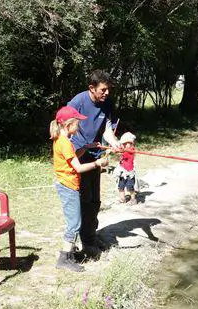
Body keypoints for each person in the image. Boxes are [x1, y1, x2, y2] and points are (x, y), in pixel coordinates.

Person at [67, 69, 122, 259]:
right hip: (79, 159)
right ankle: (86, 242)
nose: (107, 93)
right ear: (92, 88)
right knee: (84, 200)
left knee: (95, 200)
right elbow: (63, 127)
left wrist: (115, 143)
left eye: (108, 90)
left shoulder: (106, 104)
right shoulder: (78, 102)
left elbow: (107, 130)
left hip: (96, 158)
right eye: (103, 90)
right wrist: (75, 150)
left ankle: (90, 236)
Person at [50, 106, 108, 272]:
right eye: (77, 123)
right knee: (74, 223)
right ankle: (64, 258)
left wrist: (87, 147)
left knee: (74, 221)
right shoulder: (65, 143)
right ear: (68, 125)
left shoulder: (61, 140)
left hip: (66, 184)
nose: (79, 127)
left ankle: (69, 255)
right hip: (68, 186)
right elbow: (78, 168)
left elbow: (72, 159)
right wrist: (97, 163)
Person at [114, 132, 138, 204]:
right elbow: (120, 151)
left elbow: (122, 152)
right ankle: (122, 198)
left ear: (131, 144)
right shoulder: (124, 149)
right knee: (120, 186)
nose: (124, 145)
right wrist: (114, 149)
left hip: (129, 172)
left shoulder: (131, 150)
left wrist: (117, 150)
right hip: (122, 171)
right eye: (123, 144)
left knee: (130, 187)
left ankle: (133, 199)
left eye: (125, 143)